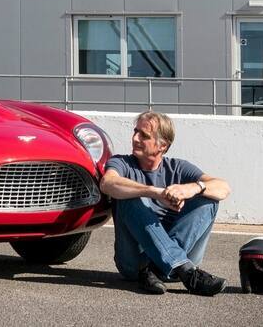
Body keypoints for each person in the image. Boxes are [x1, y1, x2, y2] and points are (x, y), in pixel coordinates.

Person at [99, 111, 231, 295]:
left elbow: (223, 187)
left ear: (162, 145)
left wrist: (192, 188)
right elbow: (107, 183)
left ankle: (156, 269)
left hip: (173, 261)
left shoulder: (178, 168)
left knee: (208, 200)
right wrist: (155, 192)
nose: (135, 138)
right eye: (135, 131)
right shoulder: (122, 163)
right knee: (129, 197)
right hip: (134, 263)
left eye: (144, 135)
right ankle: (184, 270)